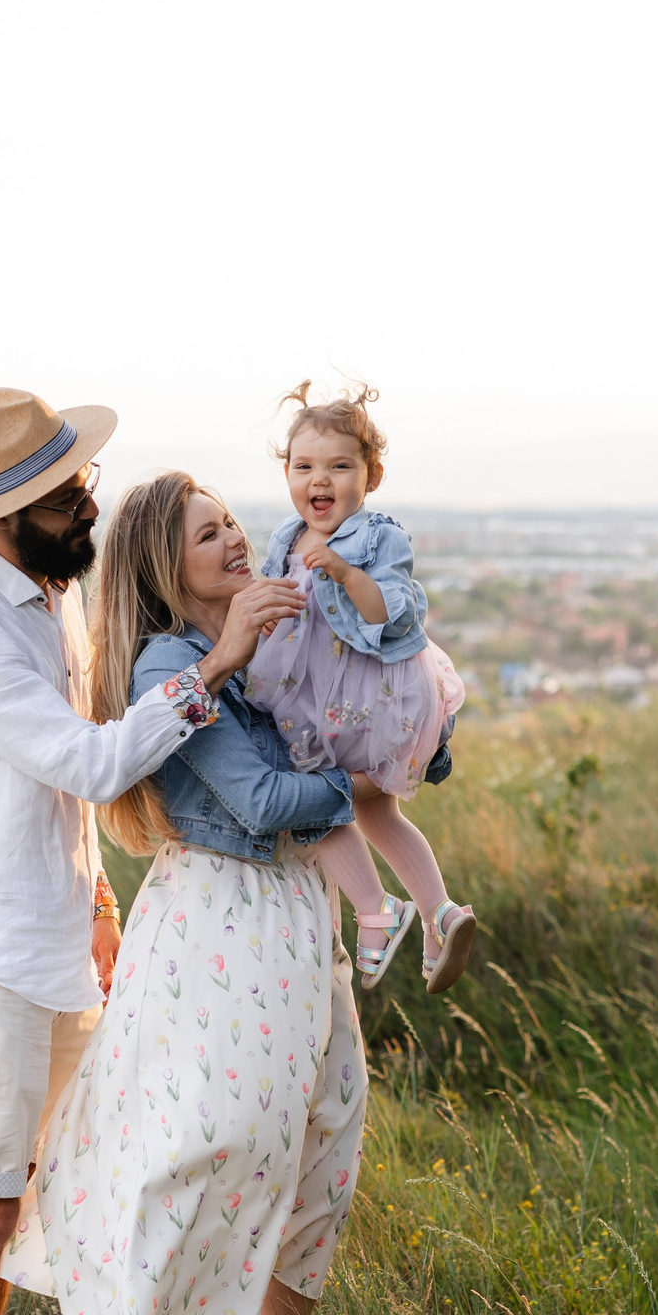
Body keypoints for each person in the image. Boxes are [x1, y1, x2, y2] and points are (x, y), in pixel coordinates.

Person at [0, 390, 303, 1315]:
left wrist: (94, 901)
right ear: (3, 517)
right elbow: (82, 763)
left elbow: (46, 798)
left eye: (83, 485)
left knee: (35, 1192)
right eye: (66, 497)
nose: (89, 505)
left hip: (56, 937)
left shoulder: (53, 597)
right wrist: (217, 663)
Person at [0, 471, 373, 1315]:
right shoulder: (179, 661)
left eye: (230, 523)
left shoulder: (270, 643)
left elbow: (353, 709)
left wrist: (400, 737)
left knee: (328, 1136)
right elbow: (258, 803)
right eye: (207, 534)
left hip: (298, 917)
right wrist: (361, 782)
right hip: (224, 920)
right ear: (168, 567)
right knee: (246, 1155)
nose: (233, 541)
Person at [240, 383, 478, 992]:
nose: (320, 480)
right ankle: (440, 915)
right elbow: (280, 601)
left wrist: (346, 573)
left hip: (369, 698)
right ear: (287, 473)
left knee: (318, 797)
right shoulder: (285, 538)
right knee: (373, 811)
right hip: (315, 693)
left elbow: (386, 613)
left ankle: (377, 914)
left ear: (370, 475)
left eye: (339, 467)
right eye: (304, 467)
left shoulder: (378, 537)